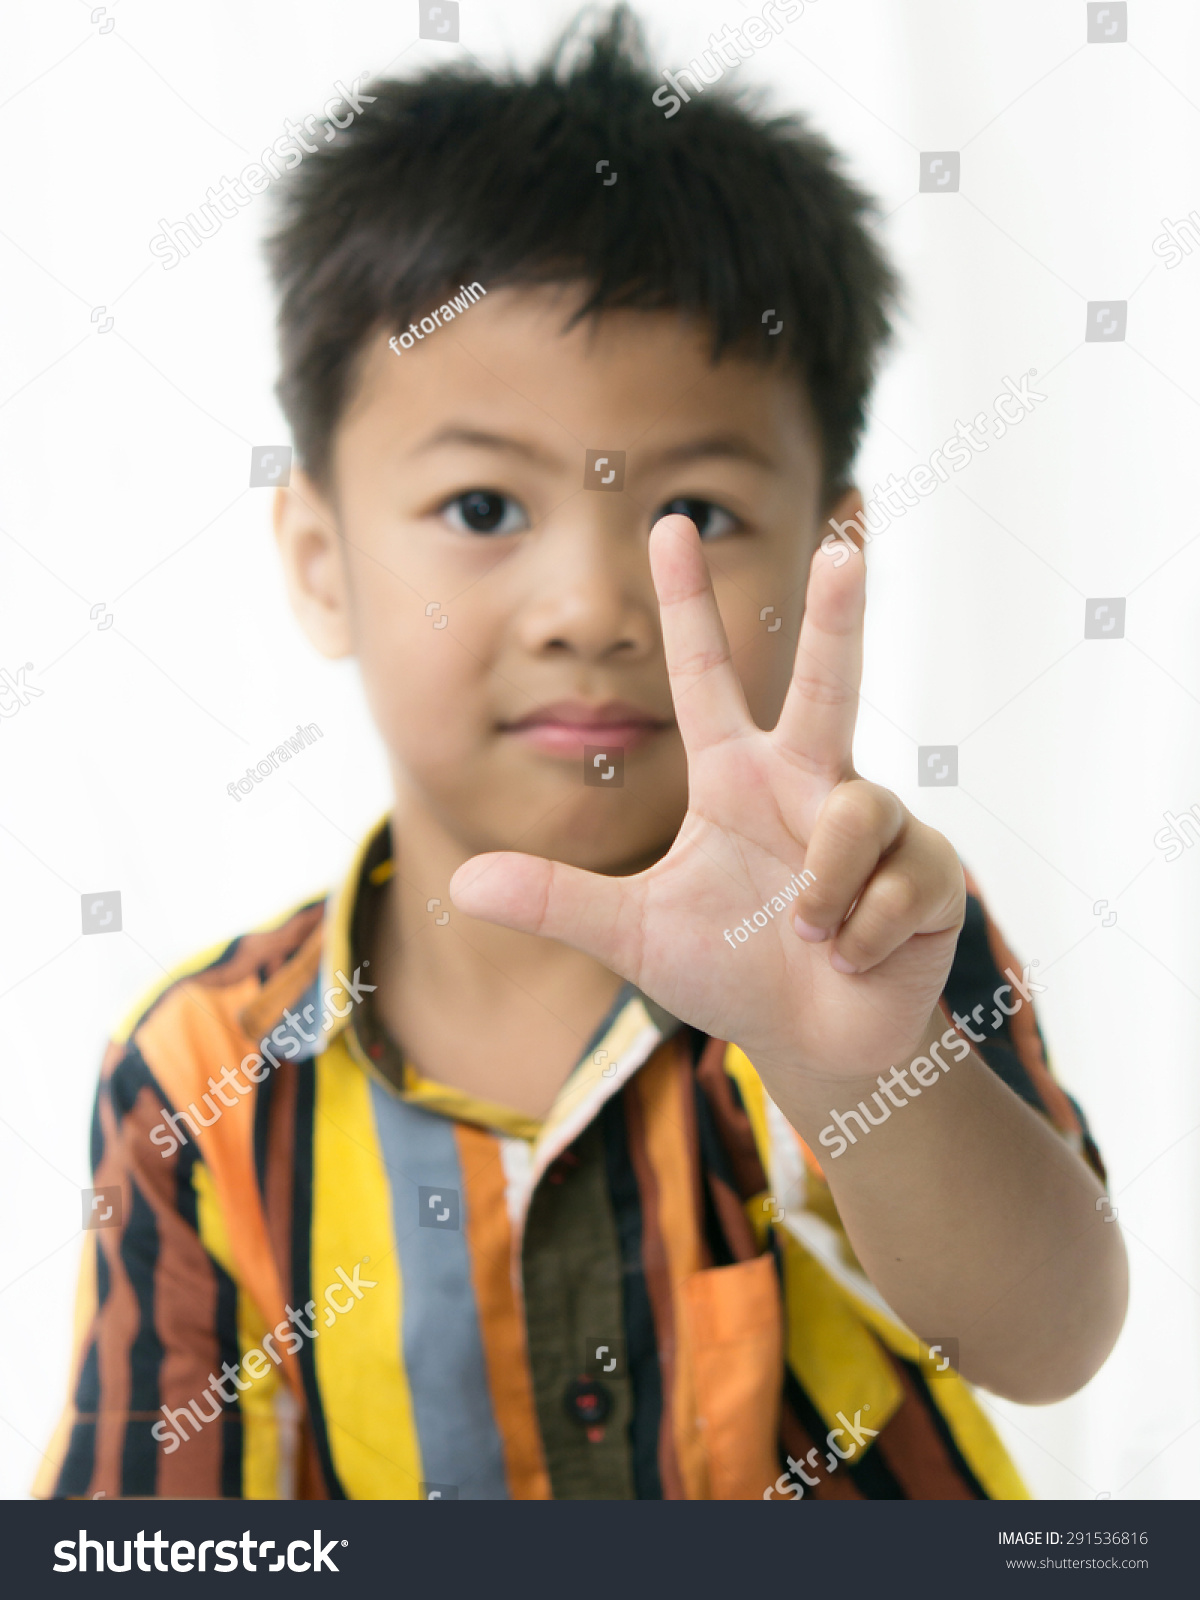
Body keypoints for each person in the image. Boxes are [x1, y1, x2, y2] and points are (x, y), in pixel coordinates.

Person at [39, 6, 1125, 1501]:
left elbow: (1049, 1339)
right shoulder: (205, 1076)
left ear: (831, 555)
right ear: (320, 560)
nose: (597, 605)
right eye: (485, 508)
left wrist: (844, 1053)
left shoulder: (865, 935)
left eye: (699, 516)